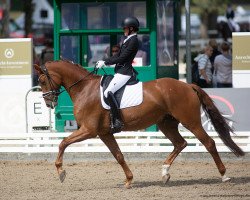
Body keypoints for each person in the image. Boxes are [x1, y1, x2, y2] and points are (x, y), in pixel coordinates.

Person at [95, 16, 140, 133]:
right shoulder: (127, 39)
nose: (123, 30)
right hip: (120, 71)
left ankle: (117, 121)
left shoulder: (133, 40)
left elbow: (123, 57)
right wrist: (105, 61)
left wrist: (106, 62)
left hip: (125, 72)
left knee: (108, 92)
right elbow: (117, 56)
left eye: (125, 28)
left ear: (131, 28)